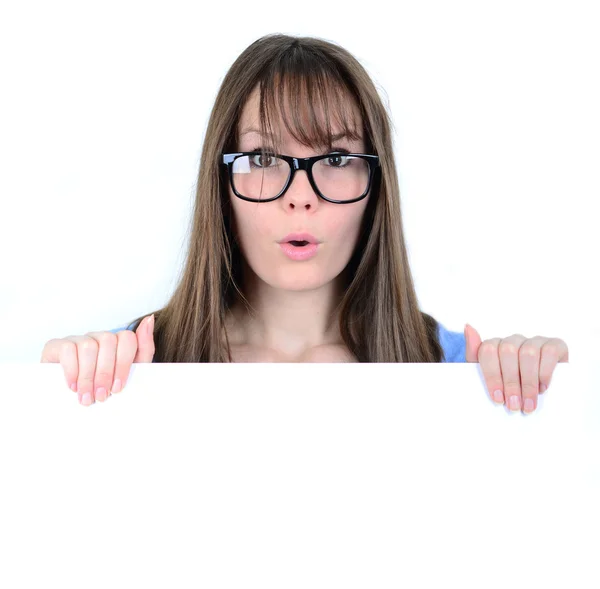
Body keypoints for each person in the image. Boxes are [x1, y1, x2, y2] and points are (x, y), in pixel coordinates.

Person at [40, 34, 567, 409]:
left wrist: (545, 387)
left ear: (376, 187)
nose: (299, 198)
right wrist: (58, 388)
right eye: (265, 158)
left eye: (336, 160)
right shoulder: (134, 361)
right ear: (219, 184)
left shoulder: (451, 367)